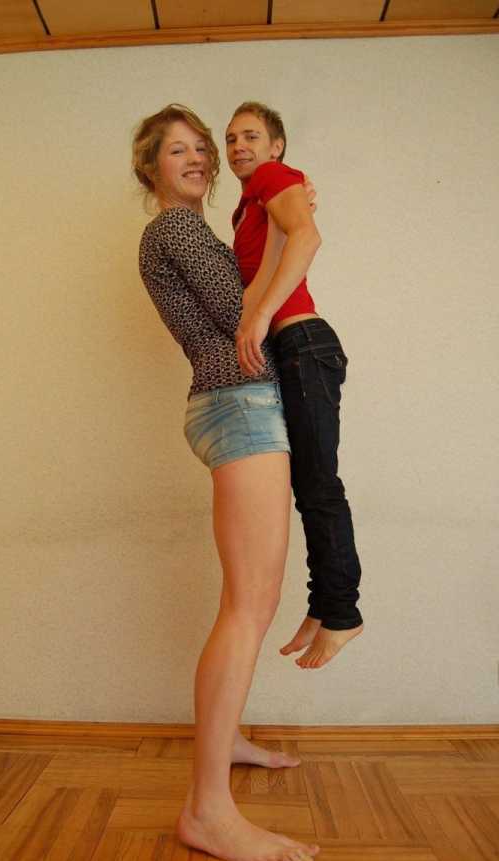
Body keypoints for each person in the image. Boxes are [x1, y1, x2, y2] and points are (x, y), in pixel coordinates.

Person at [132, 104, 320, 861]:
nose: (199, 159)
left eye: (202, 149)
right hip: (238, 405)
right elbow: (242, 313)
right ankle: (206, 810)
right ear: (150, 167)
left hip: (235, 404)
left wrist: (272, 222)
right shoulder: (176, 229)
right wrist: (284, 224)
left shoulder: (193, 232)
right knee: (250, 605)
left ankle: (225, 738)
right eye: (178, 150)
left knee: (247, 602)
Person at [225, 101, 363, 669]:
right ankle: (323, 603)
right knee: (305, 485)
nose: (239, 147)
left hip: (303, 343)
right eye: (231, 139)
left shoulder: (272, 177)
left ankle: (343, 613)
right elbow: (274, 256)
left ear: (276, 146)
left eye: (251, 136)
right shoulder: (250, 203)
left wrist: (259, 317)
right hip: (292, 349)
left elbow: (308, 238)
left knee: (319, 485)